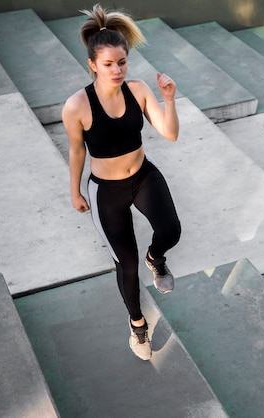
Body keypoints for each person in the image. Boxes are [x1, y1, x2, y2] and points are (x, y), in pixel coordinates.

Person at [62, 3, 182, 361]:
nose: (117, 70)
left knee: (171, 231)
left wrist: (169, 99)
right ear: (93, 65)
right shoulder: (76, 106)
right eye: (109, 64)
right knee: (125, 265)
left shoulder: (139, 89)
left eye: (122, 63)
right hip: (106, 191)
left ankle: (156, 257)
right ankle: (137, 326)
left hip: (144, 175)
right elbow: (77, 152)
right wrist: (75, 190)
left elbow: (170, 134)